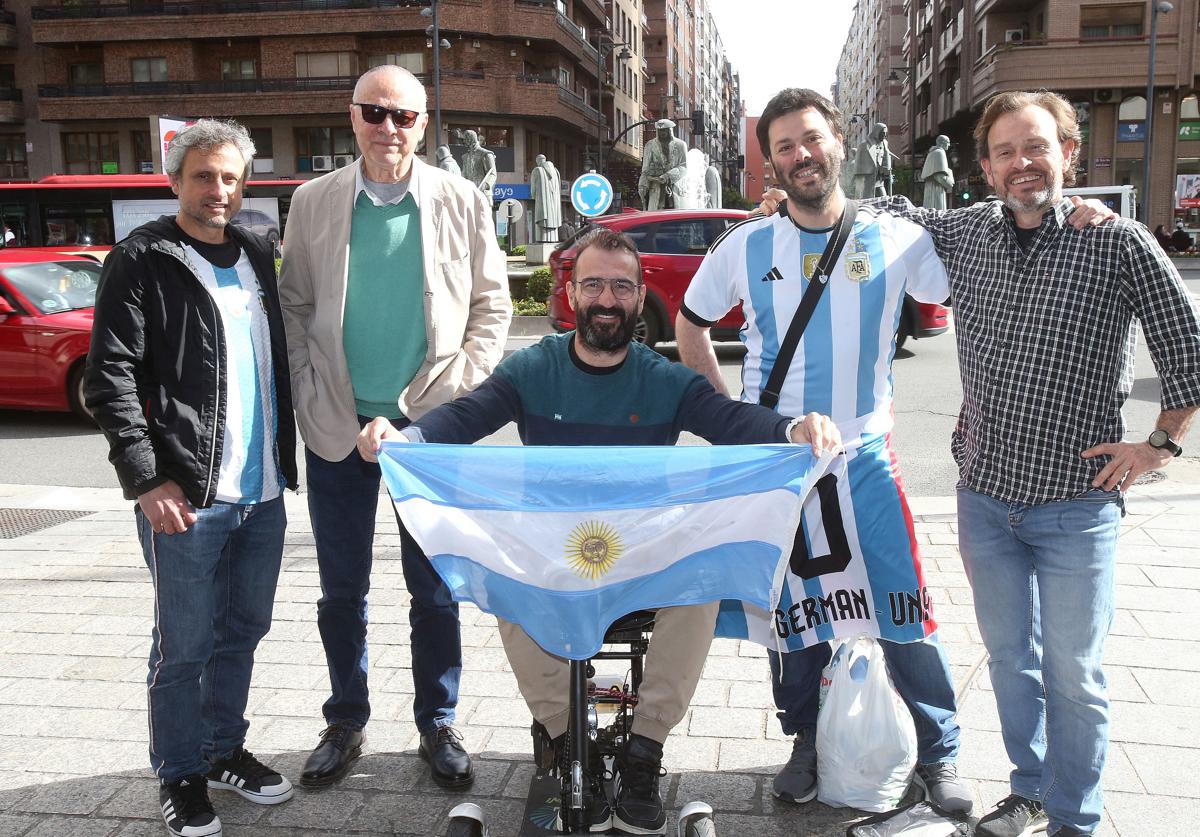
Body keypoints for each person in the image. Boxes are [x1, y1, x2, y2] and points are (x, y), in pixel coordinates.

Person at [358, 227, 839, 835]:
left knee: (701, 585)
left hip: (643, 553)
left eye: (619, 286)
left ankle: (644, 751)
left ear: (641, 298)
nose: (605, 299)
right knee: (503, 579)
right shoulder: (534, 367)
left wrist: (791, 431)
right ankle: (567, 739)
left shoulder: (663, 378)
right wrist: (406, 440)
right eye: (593, 285)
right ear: (571, 292)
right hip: (555, 554)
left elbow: (729, 420)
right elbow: (465, 416)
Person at [875, 90, 1200, 837]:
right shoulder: (966, 232)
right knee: (1011, 660)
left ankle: (1075, 820)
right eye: (1006, 152)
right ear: (985, 167)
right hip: (985, 498)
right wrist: (780, 210)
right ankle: (1028, 791)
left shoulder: (1115, 241)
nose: (1023, 164)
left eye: (1037, 147)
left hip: (1075, 505)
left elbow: (1187, 351)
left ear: (1068, 154)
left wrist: (1160, 447)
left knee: (1074, 676)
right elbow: (895, 209)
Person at [674, 88, 973, 816]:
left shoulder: (898, 236)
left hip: (868, 455)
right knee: (794, 612)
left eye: (811, 138)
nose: (801, 155)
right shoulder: (747, 243)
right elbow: (690, 326)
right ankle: (804, 739)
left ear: (838, 140)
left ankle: (940, 751)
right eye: (784, 146)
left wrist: (1075, 218)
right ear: (771, 160)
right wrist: (736, 419)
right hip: (781, 464)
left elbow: (980, 277)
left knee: (904, 602)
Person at [278, 65, 511, 791]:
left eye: (403, 116)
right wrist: (329, 409)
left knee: (434, 589)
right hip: (338, 432)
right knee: (341, 588)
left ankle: (436, 720)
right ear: (351, 118)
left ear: (424, 122)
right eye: (374, 113)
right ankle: (345, 719)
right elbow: (291, 308)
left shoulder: (463, 198)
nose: (388, 128)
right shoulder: (312, 201)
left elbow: (492, 310)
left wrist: (438, 411)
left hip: (428, 432)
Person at [85, 118, 298, 837]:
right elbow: (108, 378)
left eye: (231, 177)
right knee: (184, 644)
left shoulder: (256, 252)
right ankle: (178, 770)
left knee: (243, 628)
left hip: (261, 491)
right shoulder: (143, 259)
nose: (219, 190)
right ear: (174, 181)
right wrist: (146, 479)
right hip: (186, 496)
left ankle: (221, 748)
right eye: (204, 176)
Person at [638, 118, 689, 210]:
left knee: (677, 216)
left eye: (665, 130)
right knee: (654, 216)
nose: (662, 133)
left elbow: (684, 166)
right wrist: (642, 185)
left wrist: (667, 176)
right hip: (656, 187)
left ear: (670, 130)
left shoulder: (681, 144)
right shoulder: (650, 145)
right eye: (660, 131)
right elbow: (645, 169)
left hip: (675, 187)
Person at [529, 153, 562, 243]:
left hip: (543, 202)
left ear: (538, 161)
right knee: (552, 220)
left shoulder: (537, 170)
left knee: (543, 221)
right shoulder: (556, 171)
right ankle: (553, 239)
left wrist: (534, 196)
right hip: (554, 206)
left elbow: (533, 190)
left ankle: (541, 239)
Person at [853, 122, 892, 198]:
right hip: (868, 175)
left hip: (879, 175)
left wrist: (887, 167)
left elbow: (886, 155)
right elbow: (859, 164)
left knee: (883, 195)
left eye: (885, 133)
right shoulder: (864, 145)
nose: (885, 135)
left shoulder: (884, 143)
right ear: (877, 132)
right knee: (866, 195)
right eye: (882, 133)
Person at [920, 135, 954, 210]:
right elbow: (939, 176)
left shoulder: (932, 153)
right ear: (942, 143)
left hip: (931, 188)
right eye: (948, 142)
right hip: (936, 189)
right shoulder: (940, 153)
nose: (949, 144)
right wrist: (950, 183)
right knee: (938, 212)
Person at [460, 129, 498, 194]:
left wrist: (485, 185)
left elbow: (492, 174)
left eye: (464, 139)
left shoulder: (486, 154)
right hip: (469, 192)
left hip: (483, 193)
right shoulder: (465, 157)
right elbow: (464, 174)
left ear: (470, 139)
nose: (463, 142)